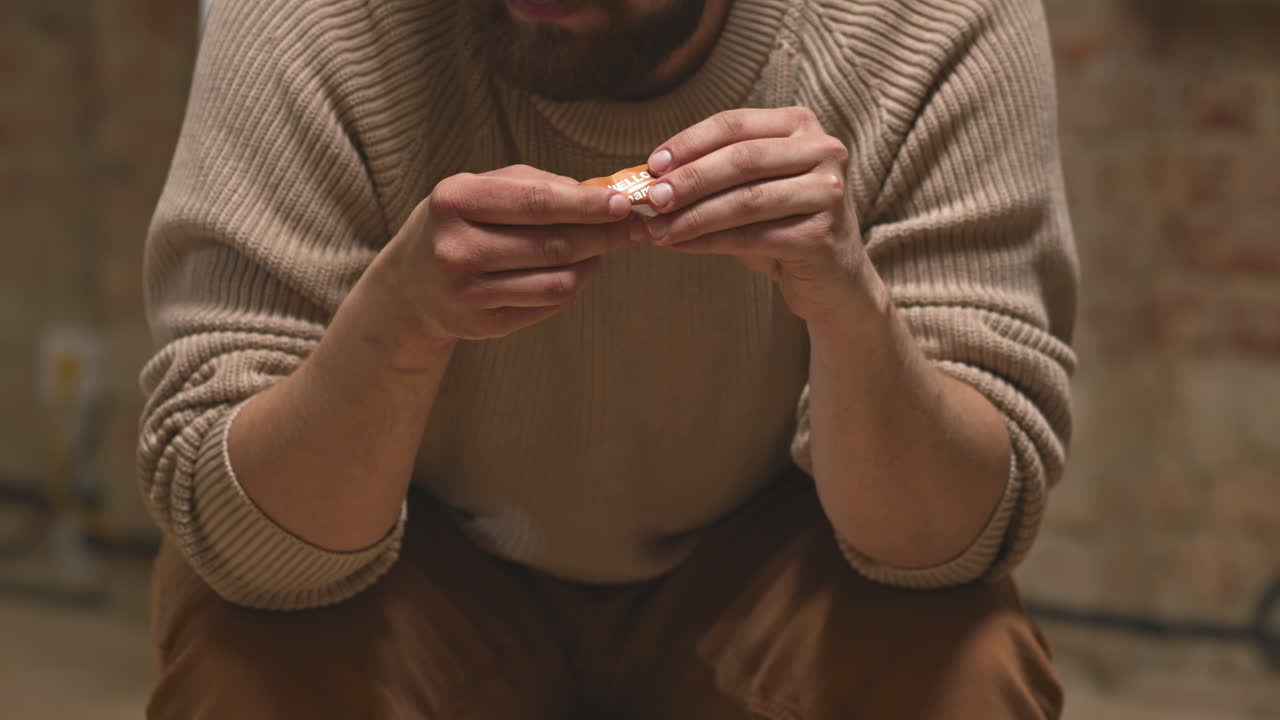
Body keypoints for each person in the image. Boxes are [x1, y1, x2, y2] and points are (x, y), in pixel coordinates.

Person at [139, 0, 1077, 716]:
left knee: (971, 667)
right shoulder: (310, 23)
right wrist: (399, 320)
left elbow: (952, 540)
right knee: (243, 667)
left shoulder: (934, 23)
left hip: (773, 546)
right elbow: (242, 547)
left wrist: (849, 304)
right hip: (410, 551)